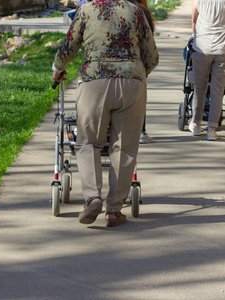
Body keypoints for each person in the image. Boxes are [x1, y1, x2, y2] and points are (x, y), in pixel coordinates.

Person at [52, 0, 159, 227]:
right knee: (124, 147)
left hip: (94, 80)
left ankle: (93, 197)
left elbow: (69, 47)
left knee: (88, 141)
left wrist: (57, 69)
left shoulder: (86, 10)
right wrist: (136, 75)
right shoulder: (137, 12)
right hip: (131, 83)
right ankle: (114, 210)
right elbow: (152, 57)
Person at [188, 0, 225, 140]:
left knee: (199, 88)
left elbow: (194, 17)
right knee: (218, 90)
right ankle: (211, 129)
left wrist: (195, 32)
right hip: (223, 47)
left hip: (202, 47)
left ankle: (196, 124)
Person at [131, 0, 155, 144]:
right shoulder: (143, 11)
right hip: (138, 62)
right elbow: (149, 40)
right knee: (139, 98)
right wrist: (148, 66)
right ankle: (141, 132)